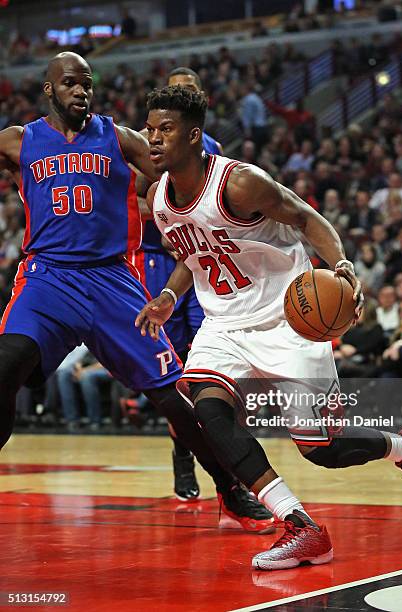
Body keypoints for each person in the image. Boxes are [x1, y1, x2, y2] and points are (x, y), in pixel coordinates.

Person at [136, 86, 402, 570]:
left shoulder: (240, 184)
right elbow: (195, 254)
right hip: (224, 323)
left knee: (321, 450)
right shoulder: (158, 199)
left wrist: (342, 263)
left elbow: (305, 218)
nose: (153, 138)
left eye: (166, 130)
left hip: (290, 318)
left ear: (194, 136)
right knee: (207, 411)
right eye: (150, 128)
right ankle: (301, 526)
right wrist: (168, 296)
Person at [0, 52, 273, 534]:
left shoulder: (119, 137)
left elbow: (187, 172)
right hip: (48, 278)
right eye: (69, 83)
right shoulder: (19, 141)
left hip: (113, 280)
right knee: (6, 362)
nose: (80, 91)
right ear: (49, 90)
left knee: (174, 399)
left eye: (87, 83)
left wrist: (227, 198)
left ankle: (229, 490)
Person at [132, 66, 222, 502]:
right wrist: (160, 218)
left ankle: (224, 464)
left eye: (187, 93)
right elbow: (131, 196)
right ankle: (182, 460)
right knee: (174, 374)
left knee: (207, 371)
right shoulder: (149, 145)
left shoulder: (215, 151)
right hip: (157, 260)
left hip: (200, 262)